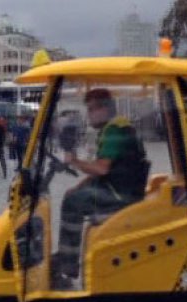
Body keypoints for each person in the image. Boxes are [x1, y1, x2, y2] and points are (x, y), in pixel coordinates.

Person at [53, 88, 149, 287]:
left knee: (72, 204)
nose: (88, 114)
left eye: (91, 109)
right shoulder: (114, 128)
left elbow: (102, 169)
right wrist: (78, 186)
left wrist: (74, 161)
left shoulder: (115, 131)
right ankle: (66, 260)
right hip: (121, 188)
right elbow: (104, 171)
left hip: (120, 195)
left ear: (104, 108)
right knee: (73, 196)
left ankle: (66, 267)